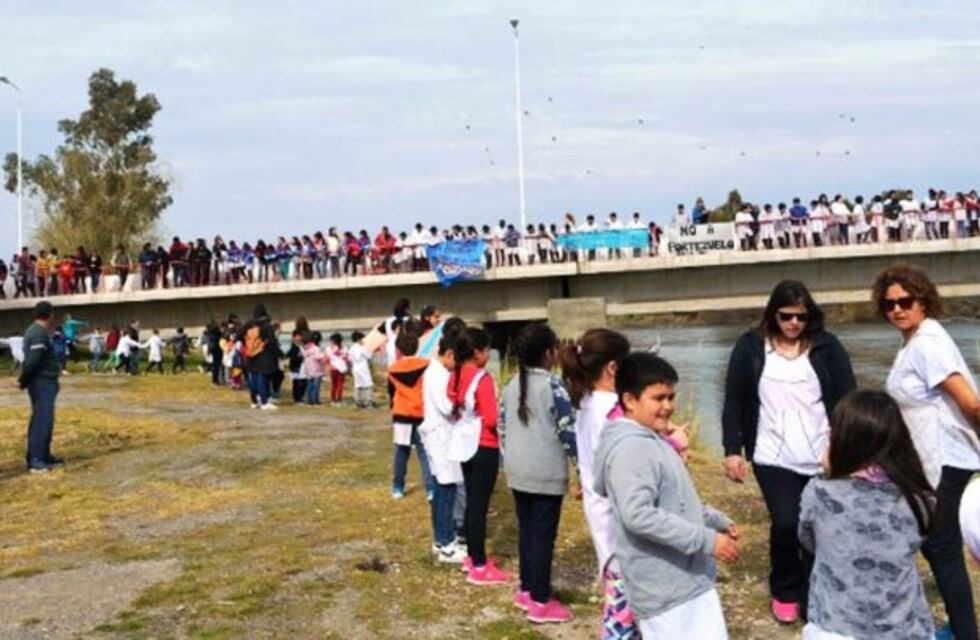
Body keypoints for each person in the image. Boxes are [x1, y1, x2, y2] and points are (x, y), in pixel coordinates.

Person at [721, 279, 856, 624]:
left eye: (801, 317)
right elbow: (734, 400)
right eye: (786, 316)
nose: (794, 323)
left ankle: (817, 591)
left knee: (821, 525)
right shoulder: (751, 347)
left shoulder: (827, 347)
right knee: (786, 523)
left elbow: (847, 398)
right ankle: (784, 588)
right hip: (771, 454)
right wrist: (732, 449)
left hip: (822, 454)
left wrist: (848, 446)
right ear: (773, 315)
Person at [593, 352, 738, 639]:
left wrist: (713, 519)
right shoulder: (630, 449)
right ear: (629, 400)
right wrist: (707, 540)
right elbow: (639, 515)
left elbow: (673, 499)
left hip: (687, 580)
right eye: (658, 398)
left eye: (671, 397)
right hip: (664, 588)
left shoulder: (652, 439)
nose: (668, 406)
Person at [873, 265, 980, 640]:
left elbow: (971, 402)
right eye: (890, 304)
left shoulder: (927, 344)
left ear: (923, 300)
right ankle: (961, 626)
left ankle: (965, 633)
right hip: (927, 460)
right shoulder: (915, 340)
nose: (898, 309)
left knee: (942, 546)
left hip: (945, 460)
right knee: (935, 544)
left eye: (906, 301)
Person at [798, 390, 936, 640]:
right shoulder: (918, 498)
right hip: (902, 629)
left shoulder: (820, 493)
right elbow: (920, 536)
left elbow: (807, 539)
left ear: (843, 442)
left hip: (835, 627)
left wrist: (829, 469)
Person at [559, 328, 638, 637]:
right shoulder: (611, 410)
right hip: (617, 519)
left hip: (601, 512)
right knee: (623, 612)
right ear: (613, 368)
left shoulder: (588, 402)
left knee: (619, 604)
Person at [500, 323, 577, 624]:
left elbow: (503, 428)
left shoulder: (510, 385)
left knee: (527, 531)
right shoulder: (554, 386)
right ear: (550, 353)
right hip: (546, 473)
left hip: (518, 471)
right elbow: (567, 432)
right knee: (544, 536)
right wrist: (583, 470)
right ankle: (540, 600)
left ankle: (527, 587)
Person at [446, 327, 509, 585]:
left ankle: (472, 556)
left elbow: (453, 404)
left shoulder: (456, 375)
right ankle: (480, 565)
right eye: (486, 350)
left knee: (472, 502)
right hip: (485, 443)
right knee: (479, 507)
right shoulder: (483, 379)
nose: (488, 355)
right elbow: (493, 418)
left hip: (464, 442)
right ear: (477, 352)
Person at [419, 318, 468, 563]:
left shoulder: (435, 370)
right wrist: (462, 400)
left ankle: (441, 541)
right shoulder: (437, 373)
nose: (455, 366)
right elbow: (446, 406)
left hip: (439, 437)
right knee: (446, 490)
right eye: (455, 360)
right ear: (448, 353)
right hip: (440, 437)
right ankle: (446, 542)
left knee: (441, 489)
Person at [387, 331, 435, 500]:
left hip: (402, 413)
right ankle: (431, 489)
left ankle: (398, 487)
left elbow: (391, 393)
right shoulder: (427, 364)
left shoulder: (392, 369)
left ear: (398, 349)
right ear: (417, 346)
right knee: (425, 452)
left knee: (401, 451)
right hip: (422, 412)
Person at [18, 301, 64, 473]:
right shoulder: (37, 333)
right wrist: (23, 380)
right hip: (41, 383)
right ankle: (36, 459)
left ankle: (44, 455)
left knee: (46, 420)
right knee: (41, 420)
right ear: (50, 314)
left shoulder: (38, 332)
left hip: (46, 382)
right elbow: (33, 360)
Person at [242, 304, 279, 410]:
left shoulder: (249, 324)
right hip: (263, 354)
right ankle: (264, 401)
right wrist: (277, 354)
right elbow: (272, 342)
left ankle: (254, 401)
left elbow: (239, 335)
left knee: (253, 378)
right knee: (261, 377)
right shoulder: (266, 325)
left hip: (250, 354)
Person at [348, 331, 374, 408]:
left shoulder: (351, 348)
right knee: (368, 385)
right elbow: (369, 356)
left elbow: (349, 359)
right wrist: (369, 348)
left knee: (358, 385)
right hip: (363, 368)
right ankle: (368, 402)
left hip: (355, 368)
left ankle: (358, 401)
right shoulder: (362, 348)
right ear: (359, 339)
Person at [301, 331, 325, 405]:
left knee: (310, 385)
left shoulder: (305, 348)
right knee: (316, 386)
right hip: (316, 369)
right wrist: (324, 355)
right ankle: (315, 400)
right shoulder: (316, 348)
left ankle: (309, 399)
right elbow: (319, 357)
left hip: (308, 369)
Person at [326, 333, 348, 405]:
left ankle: (333, 399)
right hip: (342, 369)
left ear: (333, 341)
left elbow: (327, 358)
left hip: (333, 368)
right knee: (340, 385)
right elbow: (347, 359)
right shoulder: (344, 348)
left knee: (334, 384)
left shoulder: (329, 349)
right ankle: (339, 399)